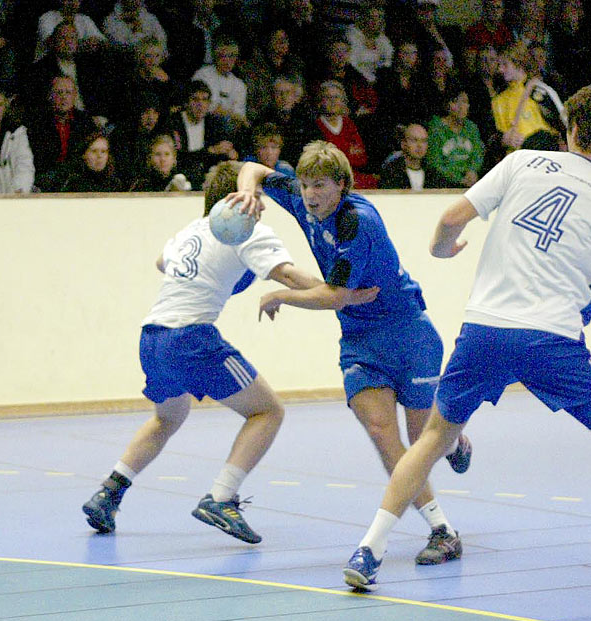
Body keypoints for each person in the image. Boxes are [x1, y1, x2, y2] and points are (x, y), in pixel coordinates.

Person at [335, 81, 591, 595]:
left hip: (484, 328)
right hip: (552, 339)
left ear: (571, 128)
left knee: (435, 437)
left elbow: (448, 220)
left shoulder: (523, 162)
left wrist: (444, 249)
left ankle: (369, 550)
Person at [83, 161, 376, 543]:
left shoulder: (191, 230)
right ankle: (221, 498)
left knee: (168, 417)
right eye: (259, 194)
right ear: (238, 197)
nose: (265, 205)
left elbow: (162, 261)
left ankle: (109, 492)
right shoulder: (244, 227)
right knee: (267, 411)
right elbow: (288, 275)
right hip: (191, 337)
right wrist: (341, 294)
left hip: (152, 337)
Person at [229, 144, 474, 567]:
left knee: (422, 441)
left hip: (407, 333)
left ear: (341, 185)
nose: (309, 194)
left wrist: (281, 295)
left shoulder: (356, 223)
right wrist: (249, 191)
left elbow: (337, 296)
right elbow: (250, 167)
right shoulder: (299, 197)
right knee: (382, 433)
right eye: (304, 185)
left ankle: (453, 441)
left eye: (319, 185)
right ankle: (442, 530)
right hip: (360, 340)